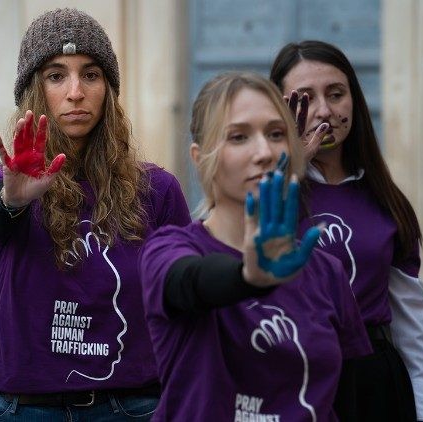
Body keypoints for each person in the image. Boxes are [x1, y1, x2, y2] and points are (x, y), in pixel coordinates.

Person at [0, 8, 191, 421]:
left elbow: (183, 301)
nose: (76, 91)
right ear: (35, 91)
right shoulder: (3, 183)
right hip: (25, 410)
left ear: (108, 89)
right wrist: (13, 200)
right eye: (56, 76)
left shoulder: (158, 191)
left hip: (132, 406)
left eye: (91, 74)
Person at [139, 71, 372, 421]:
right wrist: (248, 276)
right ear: (200, 157)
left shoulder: (326, 271)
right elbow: (188, 282)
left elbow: (349, 399)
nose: (264, 152)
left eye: (276, 134)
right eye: (238, 137)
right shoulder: (169, 249)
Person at [270, 40, 423, 422]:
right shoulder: (261, 191)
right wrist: (287, 168)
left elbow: (413, 327)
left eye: (336, 94)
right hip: (289, 373)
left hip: (371, 380)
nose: (325, 111)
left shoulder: (386, 201)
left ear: (354, 100)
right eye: (305, 98)